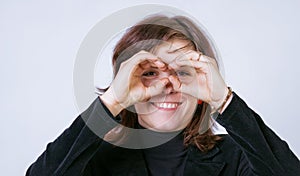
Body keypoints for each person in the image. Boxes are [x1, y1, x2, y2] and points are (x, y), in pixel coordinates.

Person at [26, 14, 300, 176]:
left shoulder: (236, 156)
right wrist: (113, 101)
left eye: (183, 72)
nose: (167, 85)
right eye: (149, 73)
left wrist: (224, 101)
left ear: (204, 88)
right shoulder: (94, 159)